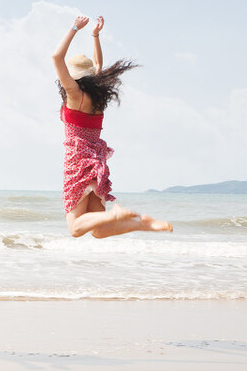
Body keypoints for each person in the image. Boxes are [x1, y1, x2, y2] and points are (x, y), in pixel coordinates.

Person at [53, 15, 172, 238]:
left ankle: (115, 215)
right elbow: (98, 65)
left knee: (75, 229)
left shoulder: (74, 94)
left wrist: (74, 28)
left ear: (73, 75)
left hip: (77, 160)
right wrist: (95, 35)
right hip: (96, 159)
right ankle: (142, 224)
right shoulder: (97, 96)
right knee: (98, 232)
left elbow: (56, 57)